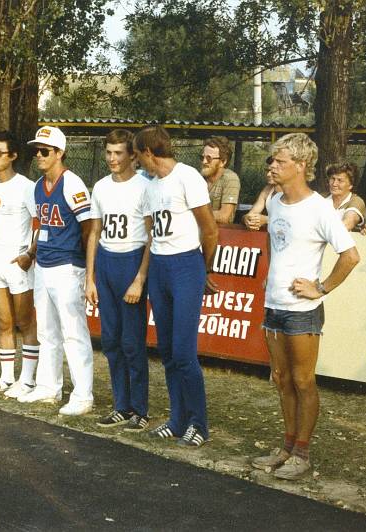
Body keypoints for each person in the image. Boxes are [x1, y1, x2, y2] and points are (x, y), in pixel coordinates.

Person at [251, 133, 359, 480]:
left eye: (280, 161)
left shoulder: (319, 208)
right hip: (274, 305)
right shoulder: (276, 203)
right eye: (272, 160)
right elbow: (275, 243)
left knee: (302, 380)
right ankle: (286, 446)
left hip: (302, 312)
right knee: (281, 379)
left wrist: (321, 288)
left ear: (301, 165)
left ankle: (302, 452)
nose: (273, 166)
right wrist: (271, 274)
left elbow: (351, 255)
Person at [135, 125, 219, 447]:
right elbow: (151, 231)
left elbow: (209, 230)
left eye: (139, 155)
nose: (138, 162)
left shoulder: (187, 177)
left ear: (148, 152)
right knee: (168, 351)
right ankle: (177, 418)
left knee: (185, 352)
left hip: (186, 265)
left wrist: (203, 267)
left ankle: (199, 423)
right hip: (160, 266)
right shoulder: (150, 186)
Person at [17, 126, 95, 417]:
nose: (39, 155)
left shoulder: (72, 183)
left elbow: (89, 228)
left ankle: (83, 394)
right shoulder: (37, 186)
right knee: (47, 330)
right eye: (36, 150)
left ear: (60, 153)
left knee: (73, 332)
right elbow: (40, 226)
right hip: (44, 265)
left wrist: (88, 270)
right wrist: (31, 253)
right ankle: (48, 387)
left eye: (45, 151)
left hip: (68, 266)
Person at [85, 129, 151, 430]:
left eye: (118, 153)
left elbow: (152, 237)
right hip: (107, 261)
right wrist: (90, 278)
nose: (112, 159)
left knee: (132, 341)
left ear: (132, 155)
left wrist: (140, 278)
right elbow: (94, 233)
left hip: (132, 260)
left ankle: (140, 408)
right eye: (109, 153)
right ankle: (120, 405)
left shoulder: (144, 187)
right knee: (110, 341)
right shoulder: (99, 187)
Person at [0, 130, 39, 397]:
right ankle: (5, 377)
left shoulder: (26, 186)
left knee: (25, 322)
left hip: (18, 261)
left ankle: (27, 380)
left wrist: (29, 254)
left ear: (12, 156)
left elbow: (41, 223)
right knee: (3, 322)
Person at [200, 136, 240, 224]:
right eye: (202, 157)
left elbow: (224, 216)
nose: (204, 162)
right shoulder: (197, 179)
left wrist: (193, 214)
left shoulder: (230, 179)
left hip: (221, 233)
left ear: (223, 161)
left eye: (209, 158)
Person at [323, 162, 366, 232]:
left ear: (351, 185)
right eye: (332, 179)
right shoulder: (320, 199)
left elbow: (346, 225)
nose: (334, 184)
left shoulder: (356, 201)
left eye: (340, 180)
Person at [243, 157, 282, 231]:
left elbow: (296, 221)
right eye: (267, 171)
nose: (268, 174)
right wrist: (247, 219)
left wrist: (267, 220)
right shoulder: (267, 190)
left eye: (273, 171)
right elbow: (251, 214)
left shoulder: (294, 191)